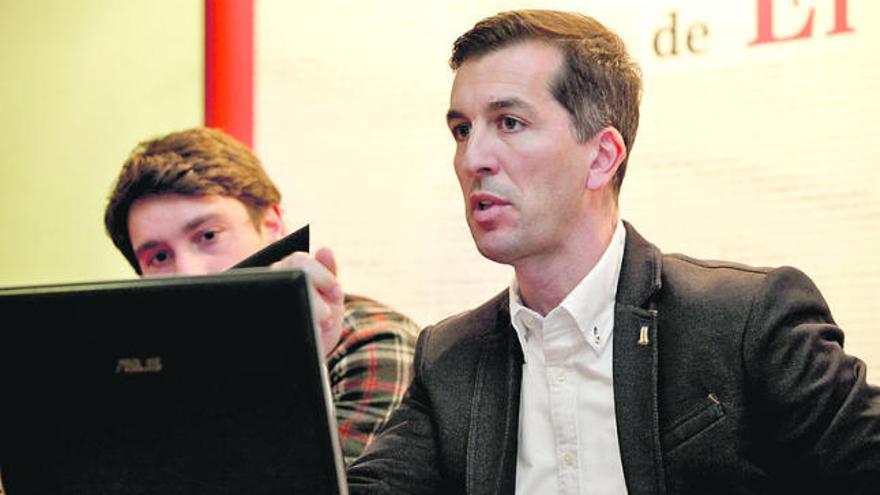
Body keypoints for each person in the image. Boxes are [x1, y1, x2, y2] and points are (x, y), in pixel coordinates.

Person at [346, 9, 880, 494]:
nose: (472, 158)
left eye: (509, 123)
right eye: (462, 130)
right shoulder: (450, 357)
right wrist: (286, 368)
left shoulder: (745, 320)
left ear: (602, 158)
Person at [103, 126, 420, 464]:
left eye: (208, 235)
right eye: (160, 258)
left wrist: (284, 364)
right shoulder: (143, 367)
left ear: (272, 225)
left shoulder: (374, 341)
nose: (188, 272)